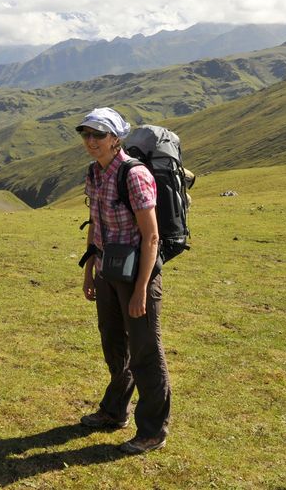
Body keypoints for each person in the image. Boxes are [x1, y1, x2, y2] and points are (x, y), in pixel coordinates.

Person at [76, 107, 171, 455]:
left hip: (137, 276)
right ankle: (115, 410)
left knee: (146, 351)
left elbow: (151, 237)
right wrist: (89, 270)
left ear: (116, 138)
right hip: (106, 271)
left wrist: (142, 289)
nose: (91, 141)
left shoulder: (134, 175)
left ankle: (152, 431)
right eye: (86, 134)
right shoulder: (94, 173)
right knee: (114, 344)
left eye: (98, 134)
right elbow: (95, 225)